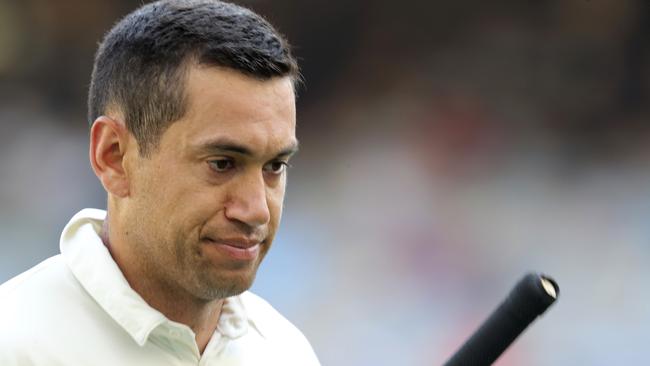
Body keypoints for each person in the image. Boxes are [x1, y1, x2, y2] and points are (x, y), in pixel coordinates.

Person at [0, 1, 320, 365]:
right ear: (114, 157)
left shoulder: (286, 351)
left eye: (275, 166)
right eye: (222, 163)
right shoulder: (14, 344)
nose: (256, 210)